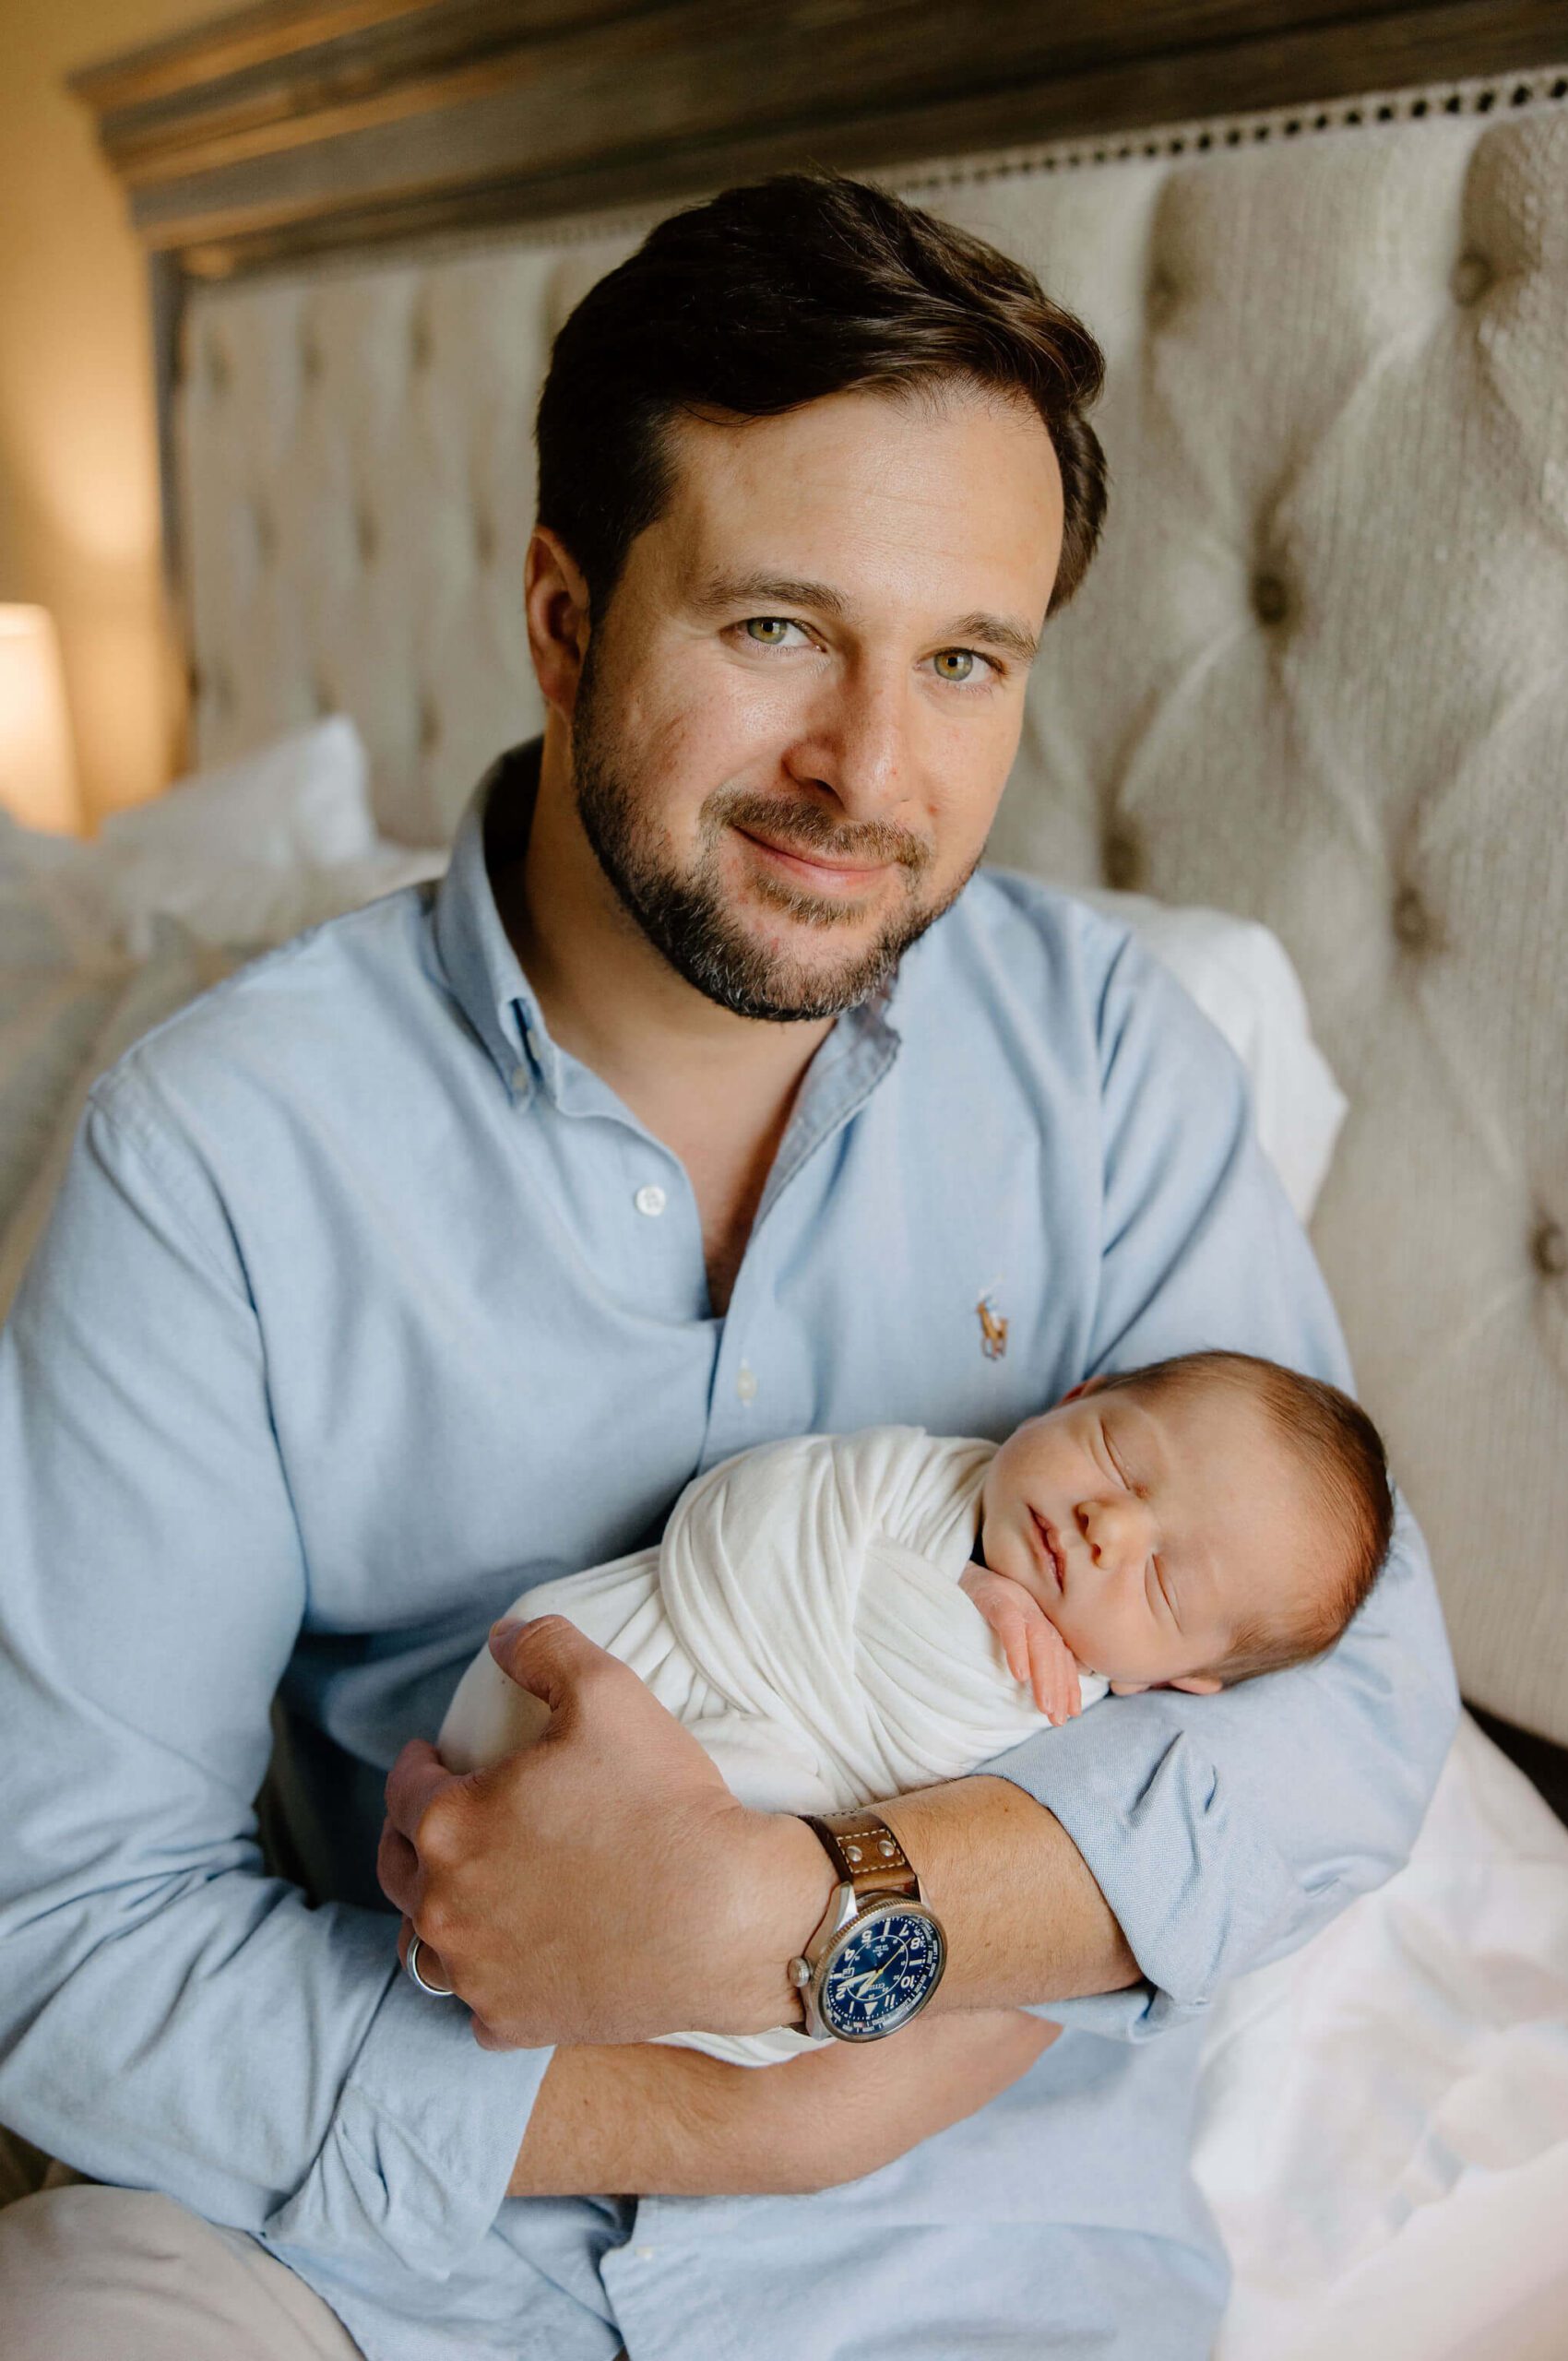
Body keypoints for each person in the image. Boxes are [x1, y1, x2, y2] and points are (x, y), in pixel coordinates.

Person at [0, 171, 1456, 2360]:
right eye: (776, 625)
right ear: (564, 615)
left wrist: (805, 1923)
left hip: (979, 2249)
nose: (866, 771)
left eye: (962, 659)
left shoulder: (1114, 1068)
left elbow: (1348, 1713)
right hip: (373, 2236)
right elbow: (69, 1929)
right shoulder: (217, 1147)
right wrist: (726, 2118)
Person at [436, 1347, 1396, 2067]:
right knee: (552, 1663)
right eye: (1116, 1453)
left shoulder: (1073, 1726)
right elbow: (763, 1503)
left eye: (1164, 1583)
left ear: (1180, 1678)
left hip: (756, 1832)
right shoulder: (914, 1480)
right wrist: (964, 1588)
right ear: (1075, 1399)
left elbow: (914, 1807)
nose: (1112, 1525)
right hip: (659, 1646)